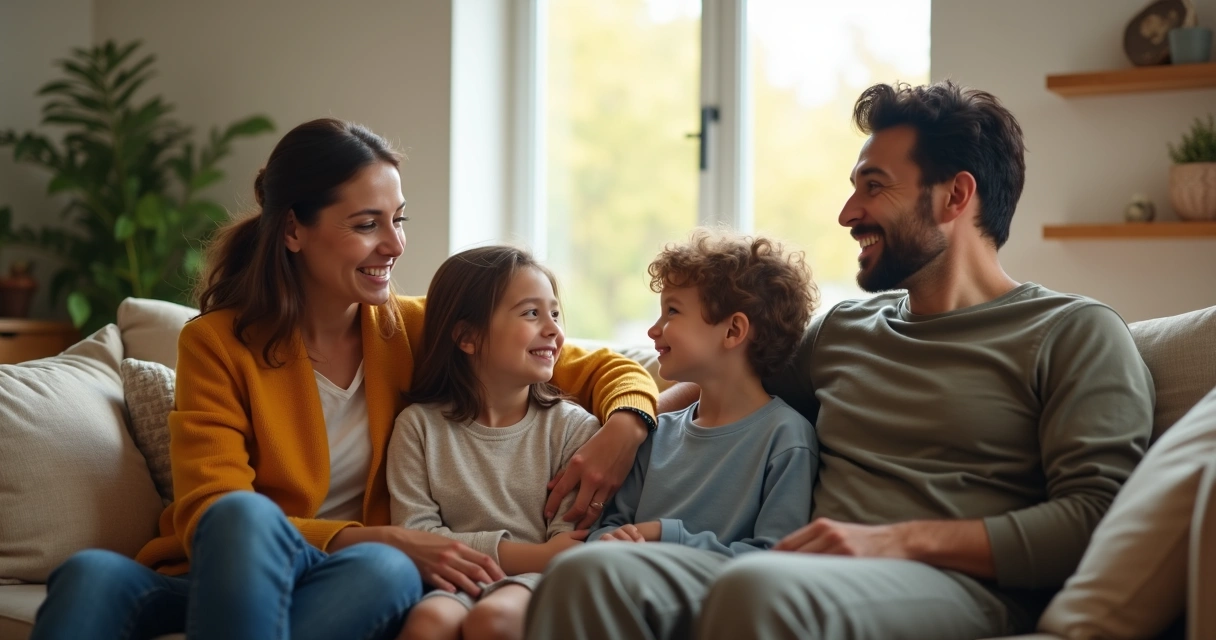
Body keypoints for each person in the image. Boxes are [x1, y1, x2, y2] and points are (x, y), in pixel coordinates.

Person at [525, 81, 1155, 640]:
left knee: (763, 590)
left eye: (873, 187)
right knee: (591, 572)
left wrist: (893, 539)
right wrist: (632, 424)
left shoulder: (1073, 332)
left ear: (955, 196)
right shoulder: (843, 329)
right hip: (800, 571)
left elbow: (1100, 515)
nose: (847, 213)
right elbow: (725, 375)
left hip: (948, 585)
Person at [31, 118, 659, 640]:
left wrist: (627, 424)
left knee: (384, 571)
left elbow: (598, 365)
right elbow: (211, 509)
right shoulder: (219, 343)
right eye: (366, 224)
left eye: (399, 219)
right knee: (96, 571)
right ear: (293, 230)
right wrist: (383, 536)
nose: (394, 244)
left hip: (358, 574)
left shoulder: (414, 329)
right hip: (233, 570)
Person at [388, 245, 600, 640]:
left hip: (537, 582)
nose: (554, 329)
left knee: (494, 620)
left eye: (554, 312)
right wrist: (533, 552)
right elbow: (416, 538)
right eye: (531, 313)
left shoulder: (574, 429)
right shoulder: (417, 427)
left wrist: (538, 559)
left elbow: (567, 548)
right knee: (428, 624)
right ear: (467, 337)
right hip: (452, 580)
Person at [587, 230, 818, 558]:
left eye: (672, 312)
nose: (654, 329)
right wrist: (610, 541)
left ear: (733, 331)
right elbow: (605, 531)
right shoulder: (657, 434)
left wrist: (664, 535)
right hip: (622, 578)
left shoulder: (786, 438)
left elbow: (774, 558)